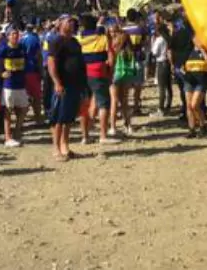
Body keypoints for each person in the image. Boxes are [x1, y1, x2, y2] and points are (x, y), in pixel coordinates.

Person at [46, 15, 87, 162]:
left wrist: (83, 84)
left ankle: (65, 146)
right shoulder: (56, 41)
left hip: (75, 84)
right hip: (62, 85)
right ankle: (56, 148)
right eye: (68, 21)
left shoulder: (75, 42)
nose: (71, 23)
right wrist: (57, 82)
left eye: (72, 21)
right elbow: (51, 63)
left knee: (69, 118)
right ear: (61, 24)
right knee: (58, 118)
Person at [77, 15, 118, 144]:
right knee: (104, 104)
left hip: (83, 73)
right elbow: (111, 58)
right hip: (99, 72)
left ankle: (85, 136)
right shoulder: (102, 38)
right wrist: (110, 73)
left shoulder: (78, 39)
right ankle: (103, 136)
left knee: (85, 105)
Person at [0, 27, 28, 147]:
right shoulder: (4, 49)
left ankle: (17, 132)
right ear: (8, 36)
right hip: (9, 85)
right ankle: (8, 138)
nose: (15, 36)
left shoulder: (22, 47)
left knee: (24, 108)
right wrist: (0, 73)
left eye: (17, 34)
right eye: (13, 34)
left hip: (21, 83)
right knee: (8, 110)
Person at [183, 37, 207, 138]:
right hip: (189, 81)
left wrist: (203, 50)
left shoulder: (206, 52)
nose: (198, 40)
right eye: (196, 38)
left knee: (194, 105)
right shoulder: (188, 50)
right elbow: (182, 63)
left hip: (201, 82)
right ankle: (191, 129)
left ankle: (203, 125)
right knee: (188, 106)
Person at [123, 8, 147, 118]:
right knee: (137, 85)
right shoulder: (141, 29)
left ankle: (125, 107)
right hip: (137, 58)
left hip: (125, 59)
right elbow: (145, 43)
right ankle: (136, 107)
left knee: (126, 86)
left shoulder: (122, 29)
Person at [20, 21, 44, 125]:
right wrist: (41, 70)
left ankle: (21, 118)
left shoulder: (21, 39)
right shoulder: (35, 39)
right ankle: (38, 118)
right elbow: (39, 55)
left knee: (25, 96)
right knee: (36, 96)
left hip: (23, 70)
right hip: (33, 69)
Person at [152, 22, 173, 117]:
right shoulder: (168, 39)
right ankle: (168, 105)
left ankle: (161, 108)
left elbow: (154, 52)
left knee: (161, 88)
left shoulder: (159, 40)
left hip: (161, 63)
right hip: (168, 63)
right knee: (168, 86)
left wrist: (153, 42)